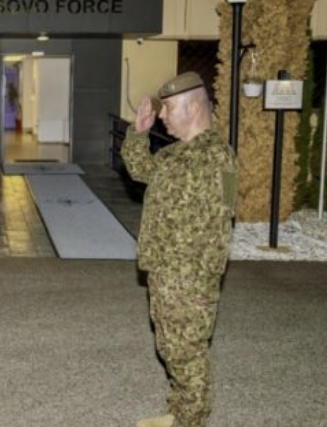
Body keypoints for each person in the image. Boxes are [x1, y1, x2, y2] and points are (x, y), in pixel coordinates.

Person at [121, 72, 238, 427]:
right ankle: (179, 411)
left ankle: (191, 420)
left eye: (169, 108)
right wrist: (138, 133)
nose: (162, 115)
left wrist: (201, 285)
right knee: (171, 347)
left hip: (188, 278)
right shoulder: (175, 154)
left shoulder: (217, 158)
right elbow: (141, 170)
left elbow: (221, 224)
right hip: (165, 271)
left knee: (187, 353)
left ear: (194, 107)